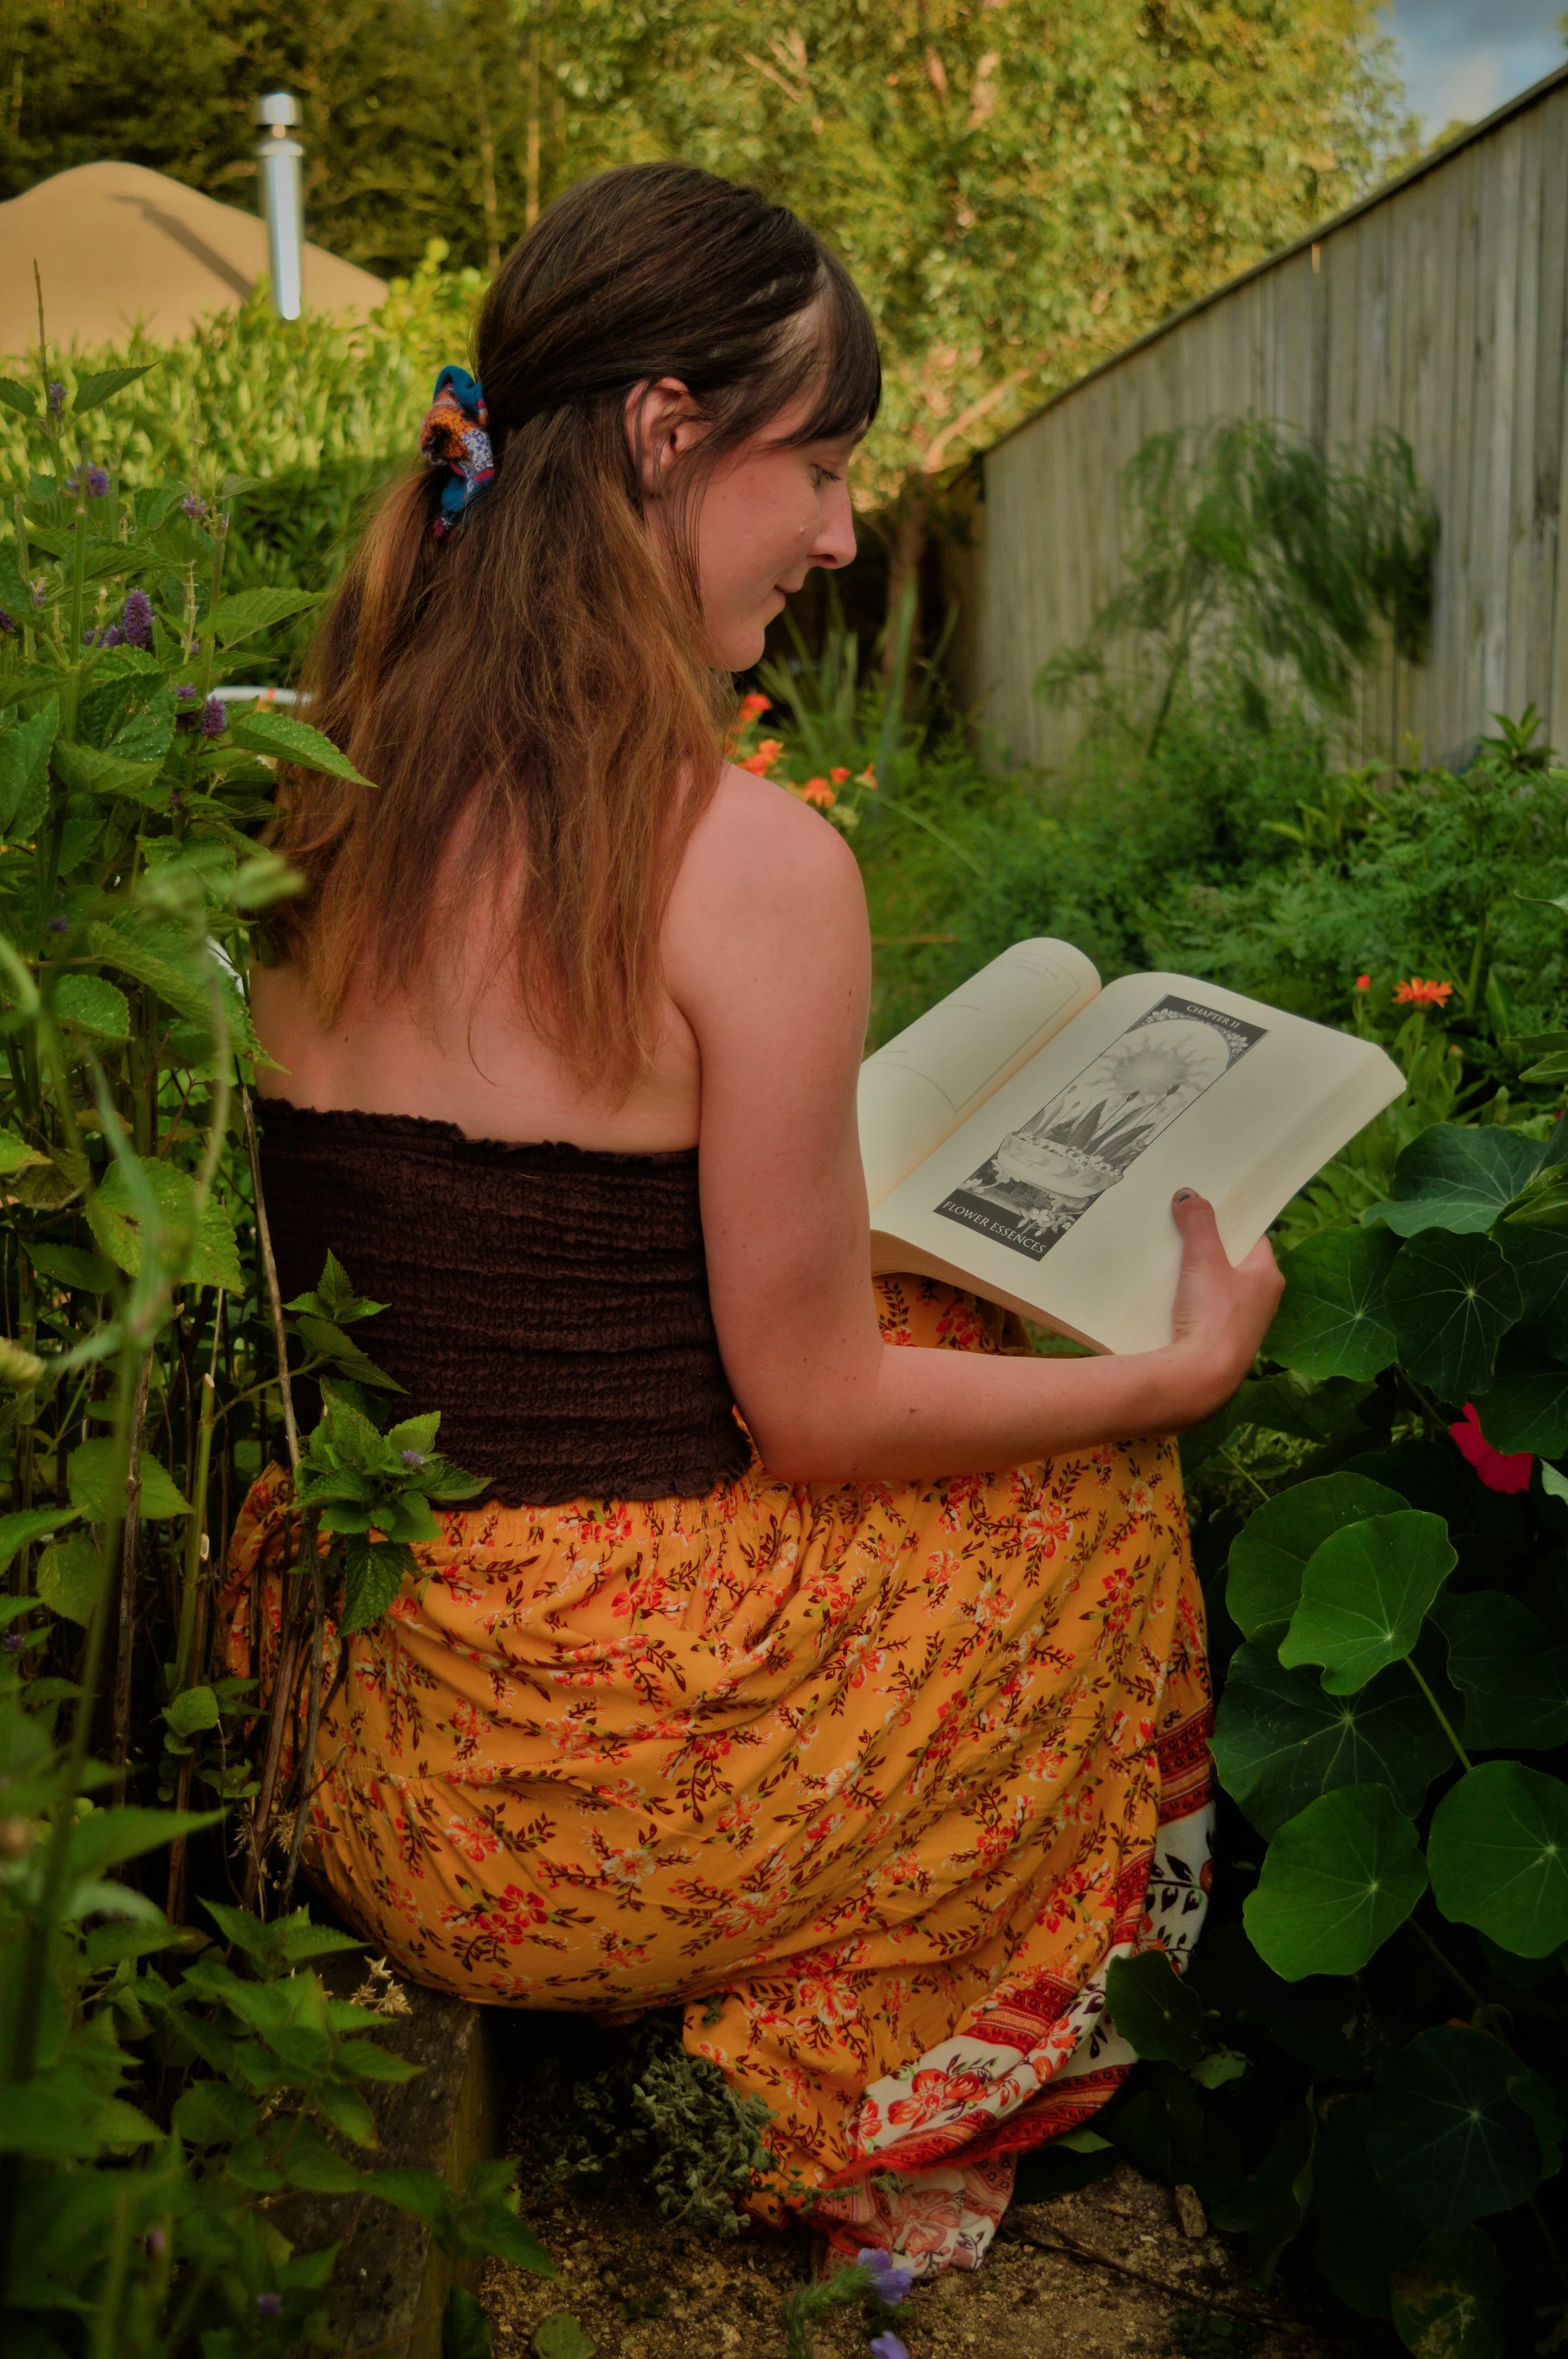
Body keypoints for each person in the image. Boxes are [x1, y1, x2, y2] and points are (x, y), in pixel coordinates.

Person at [226, 161, 1281, 2277]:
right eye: (819, 463)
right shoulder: (743, 863)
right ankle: (841, 2076)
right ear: (662, 435)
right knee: (1093, 1493)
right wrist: (1169, 1370)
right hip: (593, 1775)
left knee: (963, 1364)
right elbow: (807, 1415)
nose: (840, 531)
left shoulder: (304, 775)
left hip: (351, 1729)